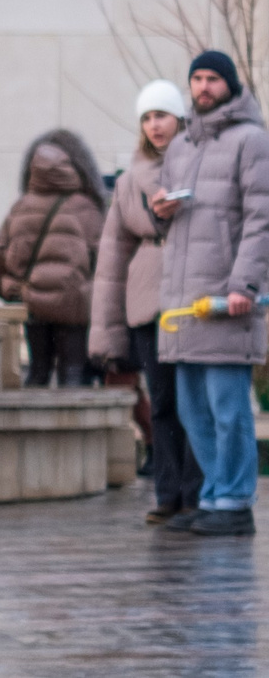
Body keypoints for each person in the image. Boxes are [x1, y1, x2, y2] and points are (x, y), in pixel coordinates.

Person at [153, 49, 269, 536]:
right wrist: (158, 210)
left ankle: (235, 502)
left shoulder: (251, 141)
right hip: (183, 304)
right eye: (196, 79)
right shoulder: (180, 146)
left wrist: (244, 285)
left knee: (228, 409)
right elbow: (168, 222)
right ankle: (213, 496)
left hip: (226, 299)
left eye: (212, 79)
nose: (203, 87)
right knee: (191, 409)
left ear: (229, 85)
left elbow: (261, 219)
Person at [92, 79, 200, 524]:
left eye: (163, 115)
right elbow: (112, 256)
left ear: (180, 119)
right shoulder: (128, 179)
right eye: (148, 117)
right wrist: (105, 328)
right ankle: (168, 493)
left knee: (195, 398)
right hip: (145, 300)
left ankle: (197, 496)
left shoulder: (200, 165)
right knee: (162, 400)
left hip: (193, 293)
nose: (156, 125)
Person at [0, 129, 106, 387]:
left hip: (33, 308)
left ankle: (31, 427)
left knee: (37, 372)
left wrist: (11, 287)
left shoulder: (21, 207)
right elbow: (102, 261)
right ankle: (74, 428)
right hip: (75, 311)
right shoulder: (86, 207)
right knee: (73, 374)